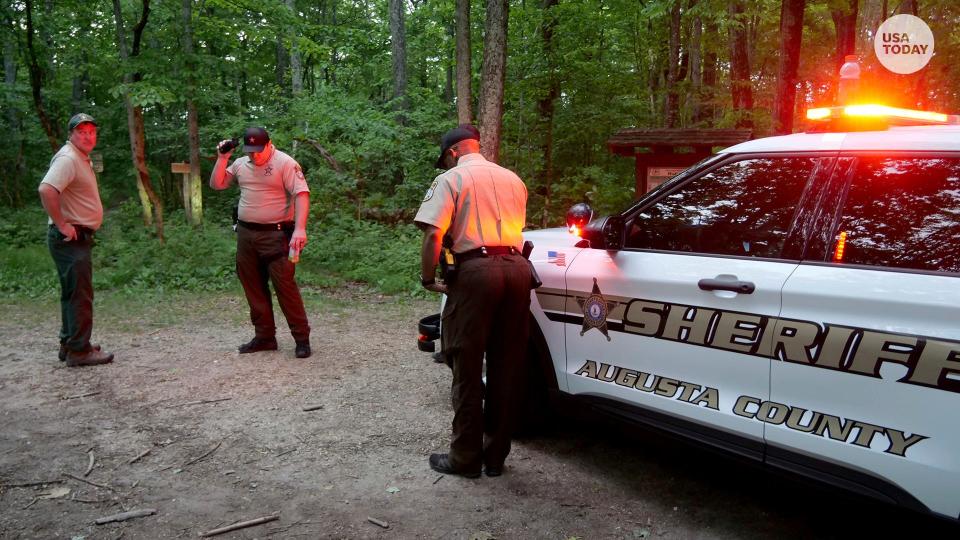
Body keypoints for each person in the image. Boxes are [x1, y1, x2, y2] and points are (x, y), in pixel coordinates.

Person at [415, 124, 532, 478]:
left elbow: (435, 233)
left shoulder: (451, 180)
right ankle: (495, 456)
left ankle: (465, 458)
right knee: (506, 366)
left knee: (465, 363)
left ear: (453, 153)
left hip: (477, 273)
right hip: (518, 270)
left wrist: (427, 278)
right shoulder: (514, 179)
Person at [210, 127, 312, 358]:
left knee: (285, 287)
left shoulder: (285, 163)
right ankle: (265, 337)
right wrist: (222, 157)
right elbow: (218, 184)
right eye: (250, 151)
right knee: (253, 287)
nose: (254, 155)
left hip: (277, 236)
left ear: (269, 144)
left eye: (258, 150)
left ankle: (301, 338)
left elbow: (302, 194)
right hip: (246, 236)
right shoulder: (240, 164)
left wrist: (300, 229)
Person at [38, 113, 114, 367]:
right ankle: (79, 351)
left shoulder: (80, 157)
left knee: (72, 292)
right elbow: (46, 189)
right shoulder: (69, 158)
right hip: (70, 238)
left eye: (92, 131)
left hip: (76, 238)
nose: (88, 136)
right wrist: (62, 224)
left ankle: (70, 342)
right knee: (80, 294)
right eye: (81, 131)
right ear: (71, 134)